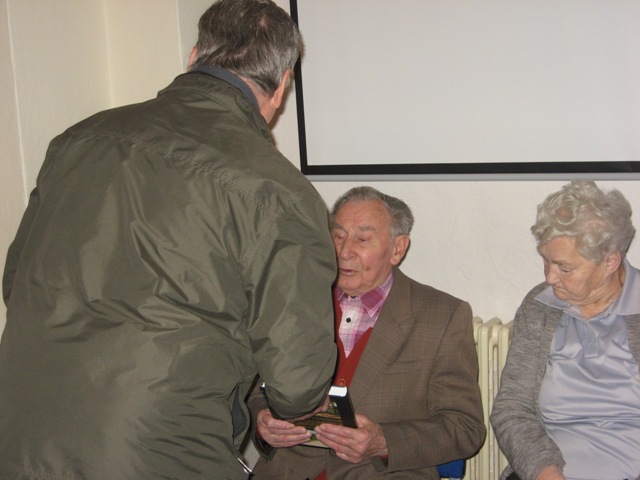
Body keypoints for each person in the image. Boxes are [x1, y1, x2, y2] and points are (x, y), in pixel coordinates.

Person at [0, 1, 337, 479]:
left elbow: (15, 282)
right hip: (156, 449)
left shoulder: (77, 140)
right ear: (282, 85)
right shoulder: (278, 191)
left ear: (194, 55)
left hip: (23, 432)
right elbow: (299, 383)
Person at [247, 186, 486, 479]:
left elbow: (464, 428)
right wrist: (262, 419)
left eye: (362, 239)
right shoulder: (295, 301)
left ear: (397, 249)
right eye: (338, 236)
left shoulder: (441, 316)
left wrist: (383, 442)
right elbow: (257, 391)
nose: (344, 252)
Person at [491, 180, 640, 480]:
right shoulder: (540, 305)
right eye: (546, 261)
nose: (550, 277)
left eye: (564, 267)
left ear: (610, 261)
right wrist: (545, 473)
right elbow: (512, 408)